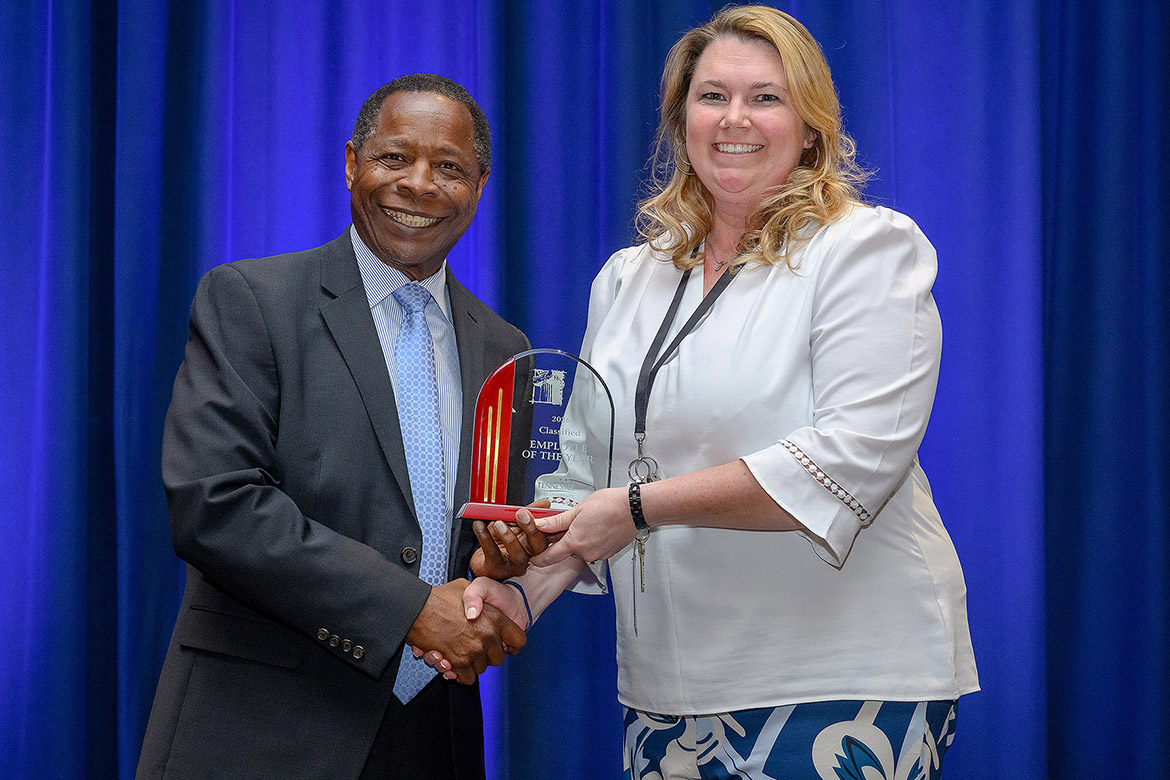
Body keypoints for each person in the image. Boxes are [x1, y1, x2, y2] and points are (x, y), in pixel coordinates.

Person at [441, 7, 979, 779]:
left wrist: (632, 507)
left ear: (811, 124)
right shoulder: (630, 276)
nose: (735, 119)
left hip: (839, 683)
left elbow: (848, 463)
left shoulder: (866, 248)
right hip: (667, 695)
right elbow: (588, 484)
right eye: (711, 96)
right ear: (679, 119)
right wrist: (517, 596)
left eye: (766, 97)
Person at [135, 73, 530, 780]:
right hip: (260, 732)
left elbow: (478, 534)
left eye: (448, 167)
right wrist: (410, 608)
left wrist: (501, 561)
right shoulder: (252, 301)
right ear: (352, 163)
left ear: (479, 185)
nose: (419, 184)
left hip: (431, 736)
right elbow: (215, 506)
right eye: (394, 158)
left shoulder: (505, 349)